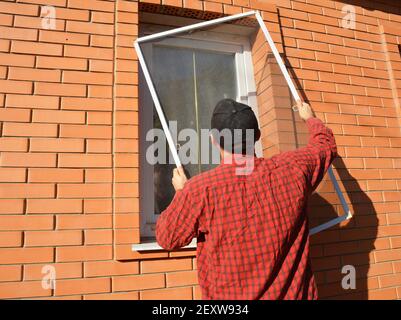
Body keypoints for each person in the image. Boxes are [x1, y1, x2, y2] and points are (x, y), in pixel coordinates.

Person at [156, 99, 337, 299]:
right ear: (257, 136)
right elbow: (325, 146)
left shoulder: (200, 191)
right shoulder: (293, 169)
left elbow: (167, 237)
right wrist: (310, 118)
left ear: (213, 139)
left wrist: (182, 193)